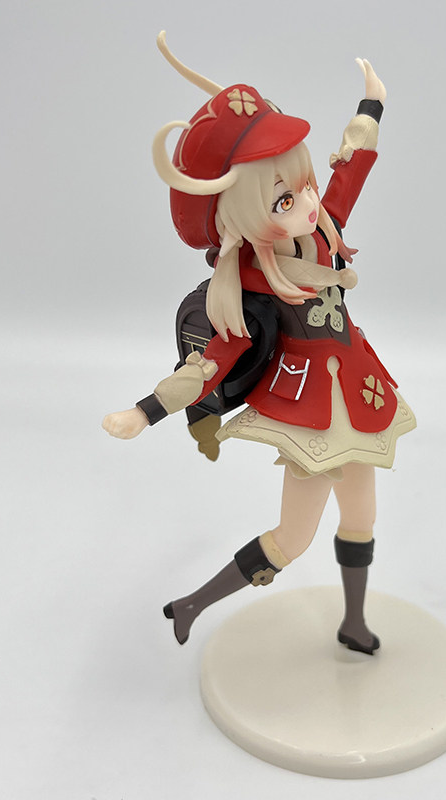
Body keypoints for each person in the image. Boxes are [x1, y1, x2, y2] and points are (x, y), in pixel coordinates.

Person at [103, 32, 416, 654]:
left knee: (362, 517)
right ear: (239, 216)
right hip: (309, 414)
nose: (307, 202)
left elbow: (350, 171)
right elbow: (210, 361)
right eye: (283, 198)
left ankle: (354, 622)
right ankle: (193, 603)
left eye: (303, 186)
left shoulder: (322, 233)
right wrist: (146, 410)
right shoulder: (250, 280)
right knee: (292, 538)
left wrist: (371, 106)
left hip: (360, 395)